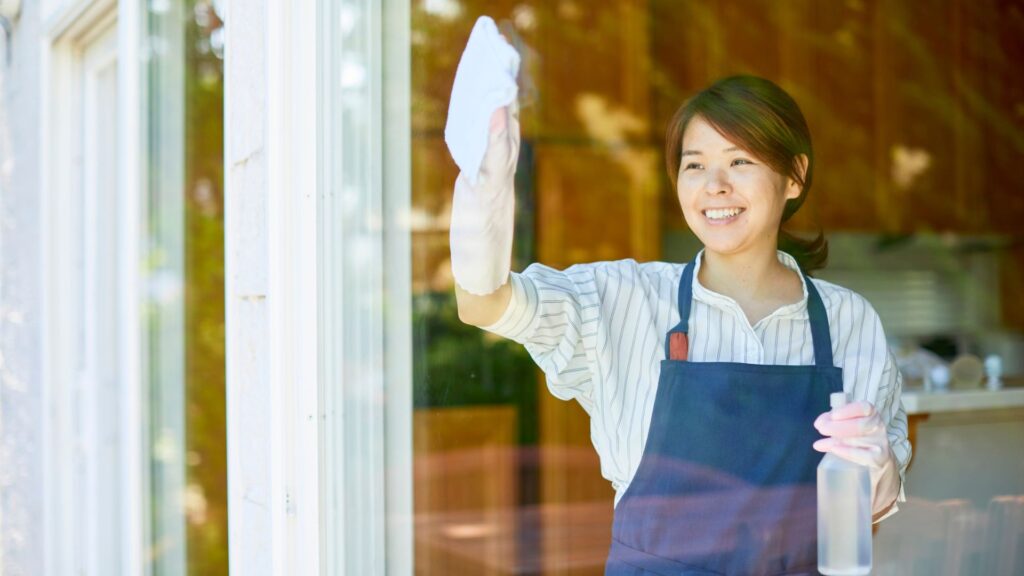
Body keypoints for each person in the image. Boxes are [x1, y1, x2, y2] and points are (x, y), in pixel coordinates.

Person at [449, 74, 911, 575]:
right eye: (695, 165)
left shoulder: (849, 321)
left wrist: (880, 472)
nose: (715, 185)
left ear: (794, 176)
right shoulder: (622, 299)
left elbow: (865, 512)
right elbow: (482, 303)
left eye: (740, 161)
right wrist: (485, 187)